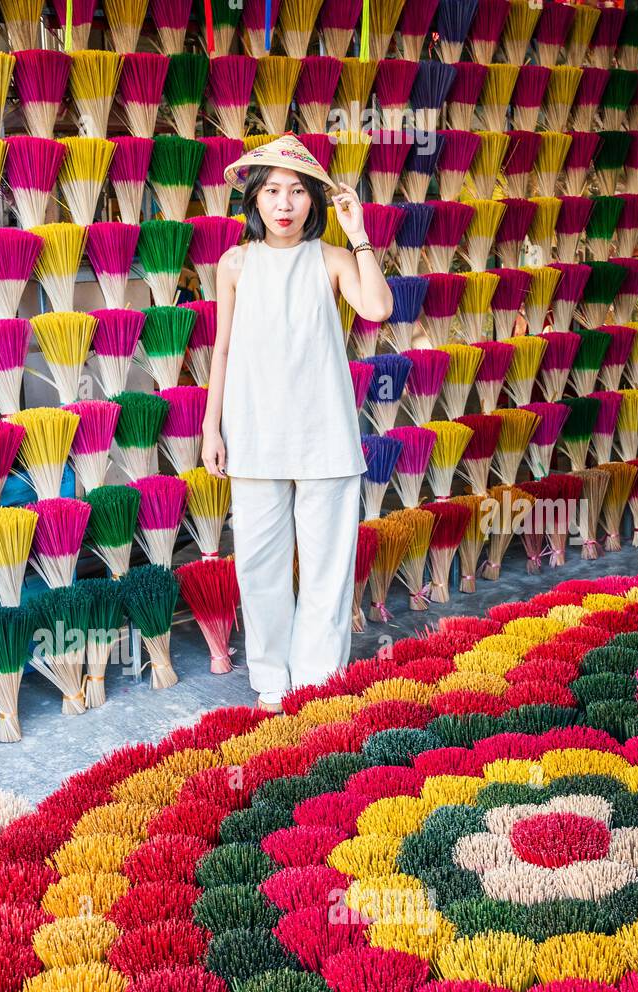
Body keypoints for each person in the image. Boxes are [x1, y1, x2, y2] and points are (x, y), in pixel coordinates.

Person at [201, 135, 393, 713]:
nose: (284, 204)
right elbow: (223, 350)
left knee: (326, 567)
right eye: (272, 192)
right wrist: (212, 428)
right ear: (254, 201)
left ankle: (316, 682)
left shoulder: (332, 259)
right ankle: (271, 680)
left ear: (313, 201)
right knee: (259, 565)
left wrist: (357, 232)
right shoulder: (234, 265)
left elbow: (378, 309)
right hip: (255, 435)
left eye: (296, 192)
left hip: (324, 436)